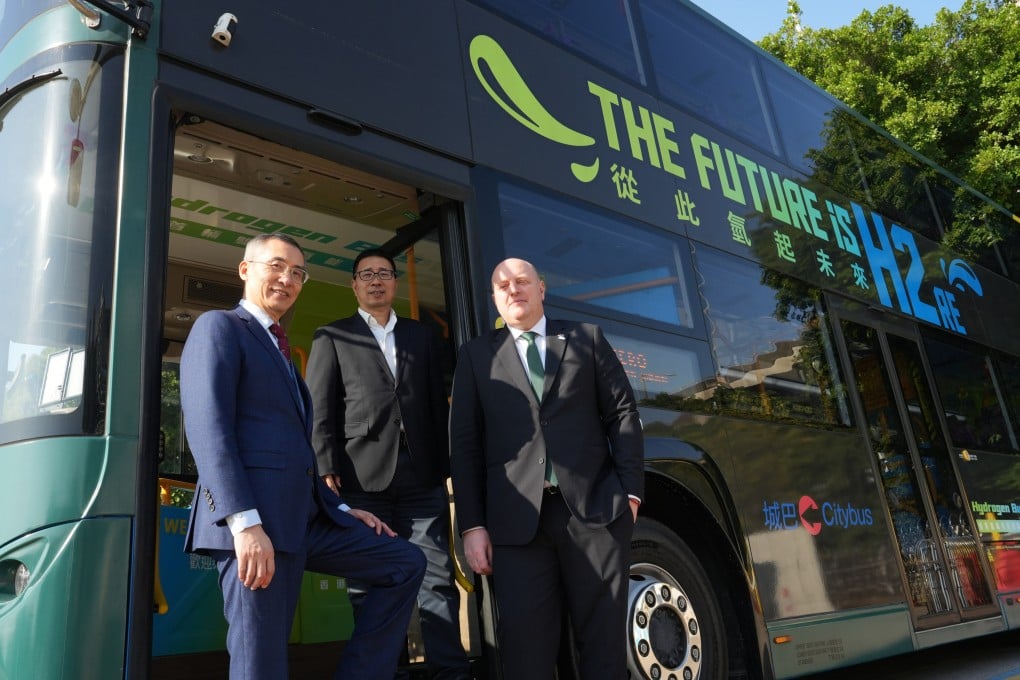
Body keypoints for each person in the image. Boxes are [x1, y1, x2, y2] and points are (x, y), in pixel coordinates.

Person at [181, 234, 426, 680]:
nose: (287, 279)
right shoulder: (220, 327)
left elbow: (300, 453)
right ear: (245, 269)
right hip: (257, 528)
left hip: (308, 520)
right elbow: (208, 430)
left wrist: (345, 509)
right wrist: (244, 523)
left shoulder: (280, 347)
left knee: (404, 563)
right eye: (276, 267)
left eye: (297, 273)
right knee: (261, 662)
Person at [449, 257, 644, 679]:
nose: (513, 289)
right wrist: (472, 526)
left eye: (522, 281)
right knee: (525, 649)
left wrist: (630, 492)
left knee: (603, 646)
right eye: (502, 285)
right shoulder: (476, 356)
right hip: (515, 526)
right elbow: (464, 447)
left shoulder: (585, 338)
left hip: (595, 515)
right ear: (494, 299)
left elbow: (623, 415)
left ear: (542, 289)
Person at [306, 248, 470, 680]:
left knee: (436, 578)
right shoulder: (332, 336)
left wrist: (445, 463)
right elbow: (320, 409)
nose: (376, 280)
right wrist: (325, 466)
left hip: (421, 475)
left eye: (384, 273)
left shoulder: (421, 337)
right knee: (370, 585)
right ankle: (384, 672)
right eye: (367, 274)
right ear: (354, 285)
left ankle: (449, 672)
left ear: (395, 282)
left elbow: (437, 402)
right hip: (360, 478)